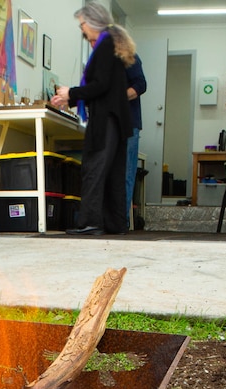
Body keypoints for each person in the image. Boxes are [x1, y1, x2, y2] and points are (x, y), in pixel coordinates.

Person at [50, 3, 136, 235]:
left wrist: (72, 94)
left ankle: (90, 223)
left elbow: (101, 85)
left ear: (93, 22)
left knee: (94, 169)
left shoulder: (105, 44)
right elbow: (105, 86)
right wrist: (70, 97)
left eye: (83, 25)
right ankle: (114, 223)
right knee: (112, 174)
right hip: (117, 120)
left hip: (106, 118)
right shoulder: (110, 43)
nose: (82, 30)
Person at [125, 54, 146, 230]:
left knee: (126, 172)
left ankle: (121, 220)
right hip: (109, 123)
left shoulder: (129, 57)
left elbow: (140, 85)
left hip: (129, 122)